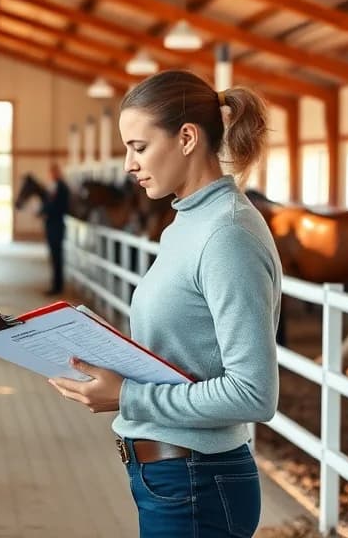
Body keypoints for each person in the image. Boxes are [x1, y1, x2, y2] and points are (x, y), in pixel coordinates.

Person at [48, 70, 281, 538]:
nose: (129, 165)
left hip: (197, 480)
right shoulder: (185, 225)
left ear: (188, 137)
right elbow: (183, 348)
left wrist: (127, 396)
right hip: (171, 477)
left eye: (138, 146)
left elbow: (254, 392)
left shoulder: (227, 234)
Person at [40, 163, 71, 295]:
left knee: (57, 256)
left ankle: (57, 286)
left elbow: (58, 207)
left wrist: (46, 210)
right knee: (54, 256)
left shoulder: (62, 188)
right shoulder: (54, 187)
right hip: (52, 225)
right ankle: (56, 284)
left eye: (53, 172)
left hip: (56, 226)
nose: (51, 175)